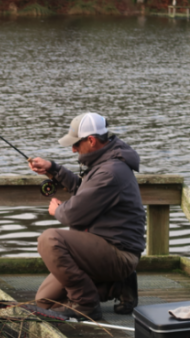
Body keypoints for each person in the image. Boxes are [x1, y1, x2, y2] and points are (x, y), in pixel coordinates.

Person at [28, 112, 145, 321]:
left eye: (76, 144)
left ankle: (86, 304)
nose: (73, 149)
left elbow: (73, 214)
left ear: (91, 140)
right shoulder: (105, 163)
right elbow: (84, 190)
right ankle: (116, 286)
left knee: (50, 240)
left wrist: (57, 210)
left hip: (118, 253)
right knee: (45, 302)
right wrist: (53, 169)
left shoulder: (110, 171)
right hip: (101, 248)